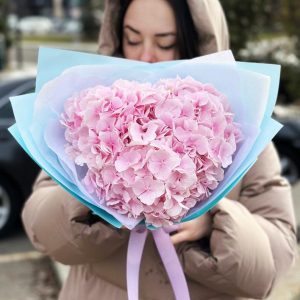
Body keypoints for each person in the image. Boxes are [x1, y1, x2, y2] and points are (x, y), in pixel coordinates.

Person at [22, 0, 297, 299]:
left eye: (166, 43)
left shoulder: (241, 124)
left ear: (197, 43)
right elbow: (41, 230)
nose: (145, 56)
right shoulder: (88, 116)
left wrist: (217, 219)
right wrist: (94, 193)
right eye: (132, 39)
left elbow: (272, 266)